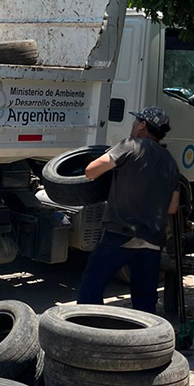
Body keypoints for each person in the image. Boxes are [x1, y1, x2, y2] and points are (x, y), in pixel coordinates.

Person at [77, 106, 180, 313]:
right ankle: (145, 343)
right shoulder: (171, 162)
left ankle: (89, 332)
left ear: (143, 125)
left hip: (120, 233)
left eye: (136, 121)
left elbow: (91, 171)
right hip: (151, 239)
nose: (133, 125)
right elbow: (172, 207)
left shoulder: (130, 145)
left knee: (92, 286)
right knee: (144, 303)